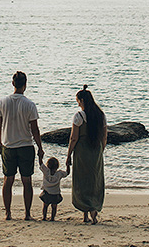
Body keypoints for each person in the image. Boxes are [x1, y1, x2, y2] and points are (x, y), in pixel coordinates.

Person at [0, 71, 44, 221]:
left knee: (8, 180)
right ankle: (27, 213)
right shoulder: (29, 104)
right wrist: (40, 147)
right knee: (27, 181)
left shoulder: (3, 102)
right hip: (26, 146)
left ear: (13, 84)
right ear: (25, 85)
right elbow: (35, 129)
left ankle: (8, 213)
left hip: (8, 145)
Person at [66, 85, 107, 224]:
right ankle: (94, 211)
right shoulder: (101, 115)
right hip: (96, 150)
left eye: (77, 101)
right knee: (95, 180)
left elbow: (74, 138)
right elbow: (104, 137)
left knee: (82, 181)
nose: (77, 103)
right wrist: (101, 150)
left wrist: (68, 155)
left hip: (82, 151)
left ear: (82, 101)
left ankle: (85, 215)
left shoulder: (79, 116)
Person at [39, 156, 70, 221]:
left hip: (46, 192)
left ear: (48, 165)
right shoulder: (59, 173)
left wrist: (40, 157)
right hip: (55, 193)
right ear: (57, 166)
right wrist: (68, 165)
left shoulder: (46, 171)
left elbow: (41, 164)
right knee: (54, 207)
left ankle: (44, 217)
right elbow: (67, 173)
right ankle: (52, 218)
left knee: (45, 206)